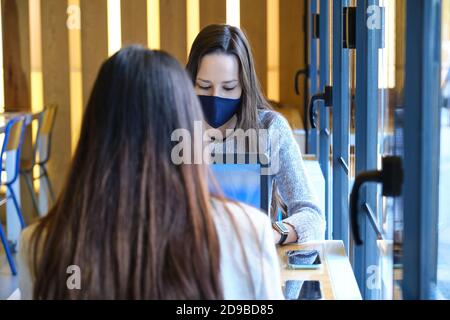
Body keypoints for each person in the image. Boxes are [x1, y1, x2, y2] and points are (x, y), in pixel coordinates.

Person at [18, 46, 283, 300]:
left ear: (92, 132)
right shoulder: (247, 232)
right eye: (204, 87)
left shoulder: (39, 246)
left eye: (227, 87)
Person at [186, 24, 325, 245]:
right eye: (204, 86)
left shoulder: (270, 129)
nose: (216, 97)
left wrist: (273, 232)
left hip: (251, 262)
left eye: (229, 88)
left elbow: (312, 216)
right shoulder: (173, 128)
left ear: (244, 86)